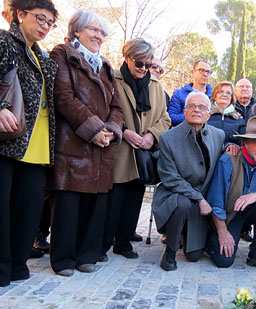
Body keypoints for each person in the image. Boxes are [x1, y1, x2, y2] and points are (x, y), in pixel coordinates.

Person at [48, 10, 123, 277]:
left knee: (95, 205)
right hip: (74, 142)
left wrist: (112, 130)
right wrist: (94, 129)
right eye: (94, 30)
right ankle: (64, 259)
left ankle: (87, 254)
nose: (99, 36)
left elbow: (116, 106)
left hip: (101, 147)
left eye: (103, 33)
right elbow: (64, 97)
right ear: (77, 30)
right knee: (68, 204)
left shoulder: (104, 66)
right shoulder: (62, 55)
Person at [0, 0, 58, 287]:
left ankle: (18, 265)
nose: (45, 26)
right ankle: (2, 269)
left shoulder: (40, 55)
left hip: (36, 147)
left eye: (50, 22)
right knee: (3, 208)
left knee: (28, 209)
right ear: (20, 15)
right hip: (8, 142)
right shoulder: (4, 41)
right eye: (40, 18)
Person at [100, 39, 171, 261]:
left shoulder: (156, 87)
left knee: (133, 201)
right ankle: (102, 245)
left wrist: (152, 135)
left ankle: (123, 243)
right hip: (119, 150)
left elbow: (165, 118)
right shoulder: (112, 79)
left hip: (143, 154)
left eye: (148, 64)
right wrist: (123, 131)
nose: (143, 69)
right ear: (127, 58)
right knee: (113, 202)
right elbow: (103, 110)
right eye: (139, 63)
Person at [152, 92, 224, 271]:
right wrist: (199, 198)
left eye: (202, 107)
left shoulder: (219, 135)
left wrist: (233, 149)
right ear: (184, 111)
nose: (196, 110)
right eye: (192, 106)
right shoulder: (168, 138)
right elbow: (169, 177)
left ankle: (191, 235)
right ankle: (170, 252)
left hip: (204, 198)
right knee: (182, 204)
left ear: (209, 114)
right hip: (175, 194)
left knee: (193, 256)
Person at [205, 116, 256, 271]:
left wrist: (255, 196)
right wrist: (222, 232)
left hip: (254, 209)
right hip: (230, 215)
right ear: (245, 143)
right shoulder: (227, 161)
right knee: (224, 261)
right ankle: (210, 240)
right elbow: (216, 201)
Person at [168, 60, 213, 126]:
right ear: (193, 72)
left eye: (208, 72)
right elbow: (171, 118)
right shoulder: (179, 94)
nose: (205, 74)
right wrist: (193, 115)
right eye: (201, 70)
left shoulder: (214, 96)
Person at [208, 81, 245, 152]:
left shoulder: (240, 121)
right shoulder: (206, 116)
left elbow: (243, 143)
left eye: (228, 93)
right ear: (214, 96)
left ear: (232, 98)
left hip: (229, 159)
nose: (224, 94)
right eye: (220, 92)